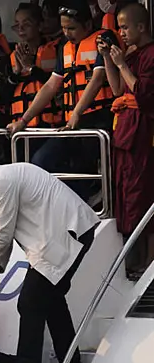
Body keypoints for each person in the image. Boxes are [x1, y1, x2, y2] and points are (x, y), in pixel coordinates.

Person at [0, 147, 100, 363]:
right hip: (62, 235)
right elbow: (3, 233)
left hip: (66, 235)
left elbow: (3, 232)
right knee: (51, 302)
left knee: (30, 302)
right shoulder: (1, 179)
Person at [7, 0, 118, 176]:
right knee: (41, 160)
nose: (67, 33)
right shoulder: (65, 48)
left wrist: (76, 114)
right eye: (64, 28)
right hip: (72, 124)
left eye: (72, 28)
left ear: (88, 24)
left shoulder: (103, 39)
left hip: (98, 120)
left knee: (85, 168)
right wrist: (23, 121)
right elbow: (51, 85)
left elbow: (97, 79)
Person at [101, 2, 154, 276]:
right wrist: (111, 60)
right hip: (125, 132)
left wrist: (122, 63)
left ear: (141, 27)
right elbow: (117, 89)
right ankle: (135, 260)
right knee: (128, 197)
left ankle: (149, 261)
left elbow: (143, 93)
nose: (120, 32)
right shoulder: (131, 54)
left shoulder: (151, 54)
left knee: (143, 195)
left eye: (124, 27)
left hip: (143, 133)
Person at [10, 3, 64, 127]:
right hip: (21, 125)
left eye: (26, 24)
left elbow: (58, 86)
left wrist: (31, 68)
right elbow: (5, 96)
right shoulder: (13, 54)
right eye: (17, 25)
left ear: (40, 26)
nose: (21, 29)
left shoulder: (56, 50)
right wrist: (16, 74)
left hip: (50, 123)